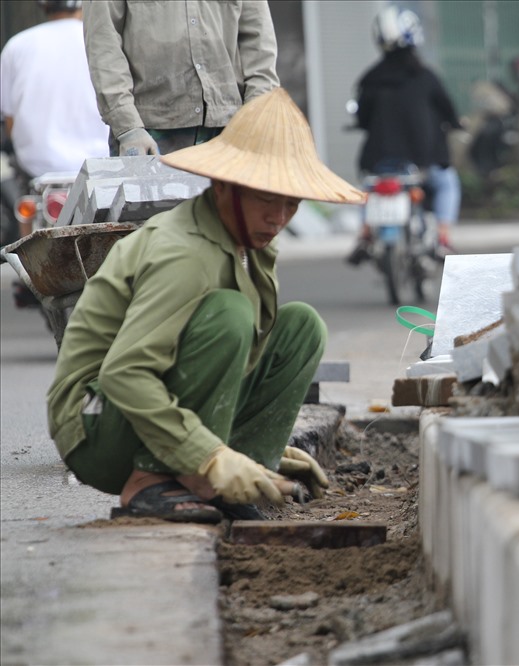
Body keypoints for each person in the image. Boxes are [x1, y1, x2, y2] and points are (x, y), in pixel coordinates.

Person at [46, 88, 366, 523]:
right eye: (266, 199)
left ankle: (239, 477)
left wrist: (246, 451)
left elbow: (235, 366)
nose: (279, 218)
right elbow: (125, 374)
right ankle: (150, 480)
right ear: (226, 187)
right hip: (96, 424)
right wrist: (208, 456)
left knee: (301, 328)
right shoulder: (184, 253)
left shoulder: (251, 244)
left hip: (146, 414)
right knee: (230, 315)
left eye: (291, 203)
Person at [82, 0, 279, 157]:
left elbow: (259, 47)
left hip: (230, 132)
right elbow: (104, 43)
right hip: (149, 135)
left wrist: (256, 121)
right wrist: (128, 128)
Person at [348, 5, 463, 264]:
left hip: (379, 161)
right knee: (447, 183)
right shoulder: (427, 77)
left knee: (368, 190)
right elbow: (448, 110)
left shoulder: (370, 79)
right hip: (424, 161)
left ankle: (365, 234)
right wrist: (456, 124)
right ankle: (443, 238)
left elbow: (362, 119)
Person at [0, 0, 109, 180]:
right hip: (101, 166)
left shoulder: (16, 46)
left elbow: (10, 121)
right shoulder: (102, 42)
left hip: (37, 169)